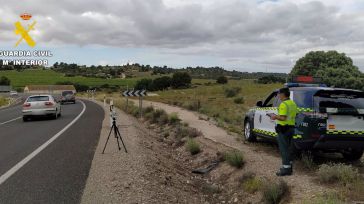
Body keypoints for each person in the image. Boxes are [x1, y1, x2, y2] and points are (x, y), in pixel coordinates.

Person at [269, 87, 297, 176]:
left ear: (282, 94)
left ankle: (285, 169)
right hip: (291, 128)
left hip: (283, 129)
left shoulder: (283, 104)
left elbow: (283, 118)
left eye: (279, 94)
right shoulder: (293, 103)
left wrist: (274, 116)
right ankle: (289, 167)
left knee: (284, 149)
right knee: (289, 148)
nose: (278, 96)